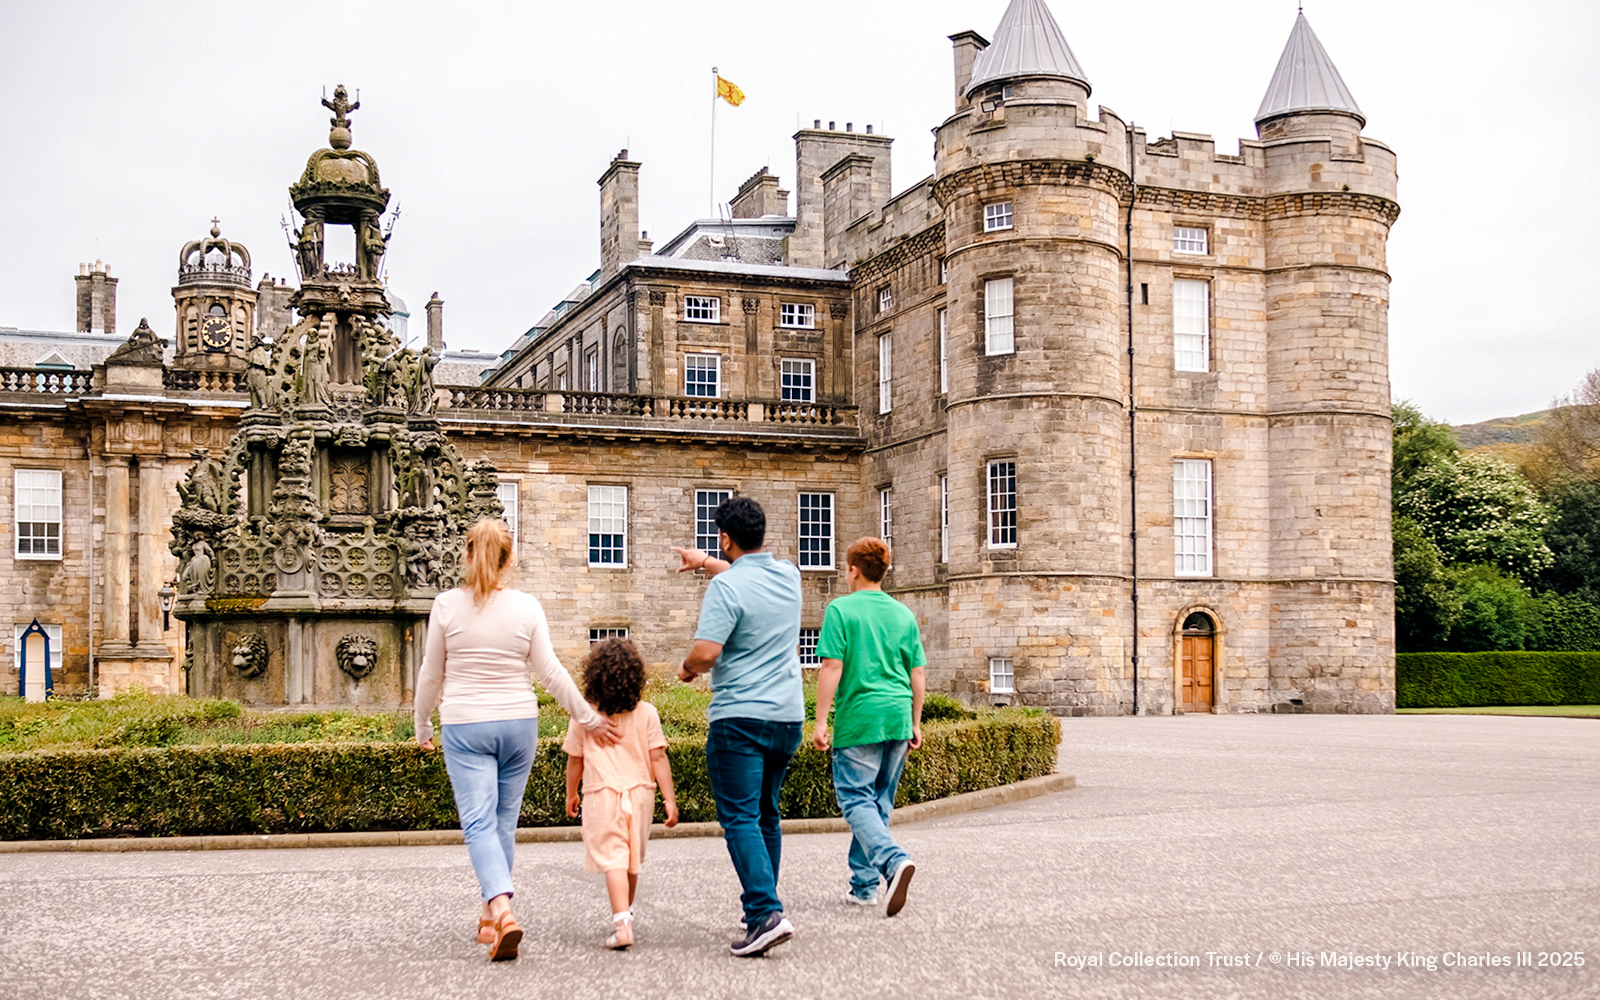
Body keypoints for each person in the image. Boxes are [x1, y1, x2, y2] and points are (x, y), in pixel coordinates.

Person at [414, 519, 620, 963]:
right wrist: (588, 717)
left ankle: (504, 911)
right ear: (510, 560)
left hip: (467, 724)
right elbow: (551, 673)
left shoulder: (447, 606)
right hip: (519, 723)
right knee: (503, 822)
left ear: (467, 555)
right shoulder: (526, 607)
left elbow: (431, 675)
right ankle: (488, 918)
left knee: (478, 823)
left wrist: (422, 727)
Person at [672, 495, 804, 957]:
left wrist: (688, 668)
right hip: (787, 717)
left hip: (741, 718)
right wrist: (705, 561)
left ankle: (766, 912)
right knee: (767, 814)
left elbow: (706, 653)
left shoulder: (725, 591)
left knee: (741, 817)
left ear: (725, 537)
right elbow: (747, 578)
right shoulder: (789, 576)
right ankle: (763, 913)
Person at [811, 537, 926, 917]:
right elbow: (917, 672)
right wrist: (915, 721)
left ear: (853, 570)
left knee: (854, 798)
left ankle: (892, 862)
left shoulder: (840, 610)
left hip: (860, 716)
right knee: (878, 802)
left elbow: (831, 667)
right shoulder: (903, 614)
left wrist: (820, 721)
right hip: (897, 714)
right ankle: (863, 887)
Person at [563, 638, 679, 950]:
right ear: (636, 677)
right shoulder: (647, 713)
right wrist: (669, 798)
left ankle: (621, 923)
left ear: (594, 677)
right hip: (641, 794)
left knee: (613, 859)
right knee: (630, 860)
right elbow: (658, 757)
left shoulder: (584, 717)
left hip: (602, 794)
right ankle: (626, 913)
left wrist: (570, 793)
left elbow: (575, 760)